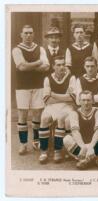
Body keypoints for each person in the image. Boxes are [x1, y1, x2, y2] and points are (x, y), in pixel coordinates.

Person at [12, 24, 50, 155]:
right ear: (21, 35)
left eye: (30, 33)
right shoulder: (16, 50)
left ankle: (36, 140)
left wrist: (29, 66)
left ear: (33, 34)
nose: (28, 35)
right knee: (22, 115)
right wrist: (38, 62)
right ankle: (23, 144)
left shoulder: (40, 48)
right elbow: (21, 67)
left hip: (38, 85)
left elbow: (46, 66)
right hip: (22, 86)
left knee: (37, 114)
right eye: (26, 33)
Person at [38, 56, 76, 164]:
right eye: (58, 65)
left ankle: (57, 150)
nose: (61, 67)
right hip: (52, 106)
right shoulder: (48, 78)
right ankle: (44, 151)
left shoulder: (71, 77)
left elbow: (72, 98)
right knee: (44, 118)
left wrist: (54, 95)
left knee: (61, 118)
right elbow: (47, 100)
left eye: (63, 64)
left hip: (67, 106)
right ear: (53, 66)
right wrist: (64, 97)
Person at [63, 90, 98, 170]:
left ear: (93, 101)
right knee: (66, 139)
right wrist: (83, 147)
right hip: (81, 146)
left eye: (88, 100)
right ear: (79, 101)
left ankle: (84, 160)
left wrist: (91, 148)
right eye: (83, 100)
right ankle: (95, 159)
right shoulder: (74, 113)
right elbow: (75, 132)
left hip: (95, 146)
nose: (86, 103)